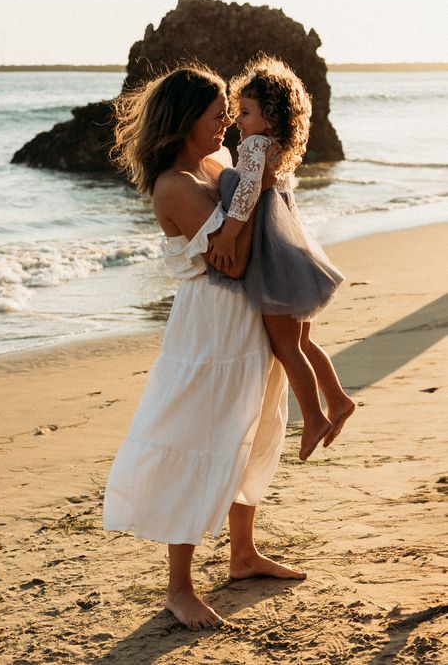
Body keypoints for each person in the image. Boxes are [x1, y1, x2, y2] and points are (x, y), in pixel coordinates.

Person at [103, 63, 306, 632]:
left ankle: (243, 555)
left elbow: (256, 217)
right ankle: (179, 587)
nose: (227, 122)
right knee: (198, 438)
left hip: (249, 320)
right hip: (209, 331)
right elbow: (233, 261)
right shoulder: (175, 184)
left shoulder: (217, 164)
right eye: (218, 113)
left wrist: (256, 190)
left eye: (228, 112)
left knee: (256, 429)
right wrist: (252, 194)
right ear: (187, 119)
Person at [209, 55, 355, 461]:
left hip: (272, 256)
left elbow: (246, 194)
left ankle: (314, 416)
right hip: (293, 249)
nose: (238, 120)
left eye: (246, 112)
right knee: (302, 341)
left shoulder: (256, 145)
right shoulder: (278, 147)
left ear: (269, 118)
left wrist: (227, 236)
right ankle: (337, 400)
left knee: (284, 346)